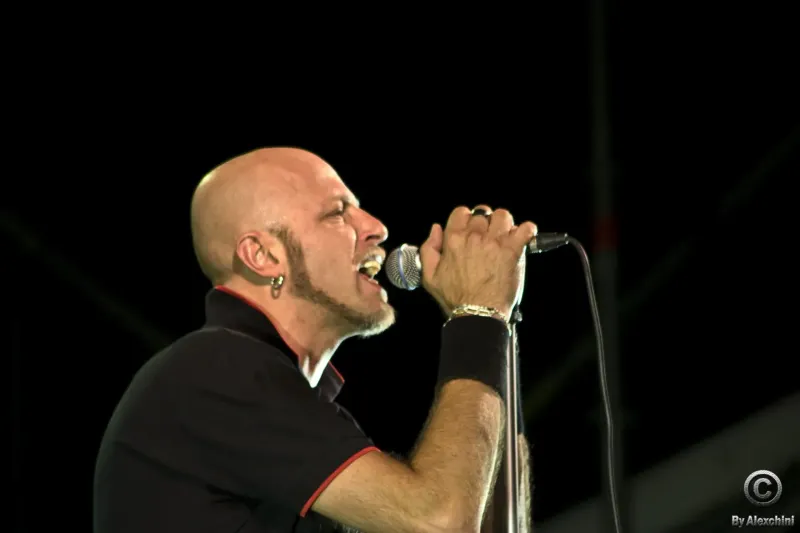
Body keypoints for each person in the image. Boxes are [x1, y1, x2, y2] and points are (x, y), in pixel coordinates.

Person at [93, 147, 535, 532]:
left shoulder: (281, 402)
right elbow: (440, 520)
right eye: (337, 212)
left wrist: (496, 321)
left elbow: (467, 518)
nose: (376, 227)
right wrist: (478, 316)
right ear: (263, 256)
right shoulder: (213, 372)